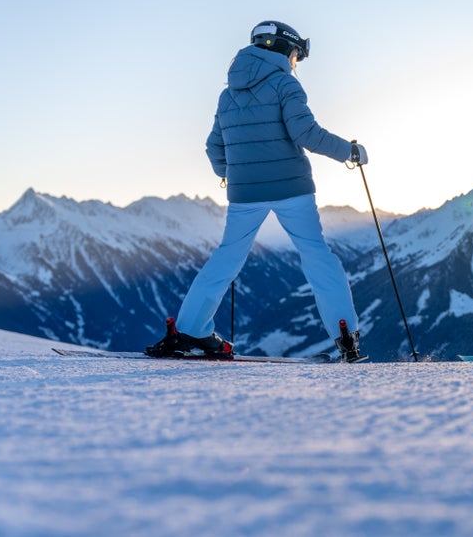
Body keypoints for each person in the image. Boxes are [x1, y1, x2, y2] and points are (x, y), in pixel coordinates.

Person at [147, 20, 368, 361]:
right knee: (316, 255)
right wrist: (350, 152)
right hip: (292, 188)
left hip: (244, 194)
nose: (295, 62)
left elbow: (213, 147)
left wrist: (233, 173)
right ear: (283, 49)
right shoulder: (284, 84)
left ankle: (191, 329)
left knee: (226, 257)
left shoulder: (228, 93)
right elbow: (307, 134)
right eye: (296, 54)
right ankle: (344, 332)